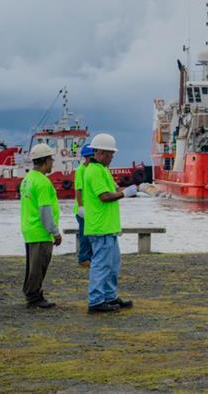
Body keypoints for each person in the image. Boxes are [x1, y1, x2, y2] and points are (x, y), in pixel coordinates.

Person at [83, 133, 138, 313]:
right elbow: (105, 196)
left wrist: (136, 189)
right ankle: (96, 301)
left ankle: (109, 296)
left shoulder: (103, 170)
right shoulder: (94, 171)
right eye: (110, 153)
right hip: (101, 227)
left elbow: (113, 190)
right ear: (100, 152)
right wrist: (125, 193)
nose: (112, 156)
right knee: (101, 265)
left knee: (112, 265)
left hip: (108, 226)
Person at [20, 143, 63, 309]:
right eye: (51, 160)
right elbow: (45, 210)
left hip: (29, 228)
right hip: (40, 230)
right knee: (39, 266)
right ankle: (34, 297)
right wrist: (55, 232)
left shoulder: (27, 179)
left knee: (32, 266)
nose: (52, 163)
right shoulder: (43, 182)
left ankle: (31, 293)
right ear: (45, 161)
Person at [74, 144, 95, 267]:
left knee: (90, 234)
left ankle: (90, 257)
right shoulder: (81, 170)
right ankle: (83, 258)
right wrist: (81, 207)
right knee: (85, 235)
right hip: (83, 210)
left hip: (91, 209)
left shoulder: (91, 169)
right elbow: (78, 189)